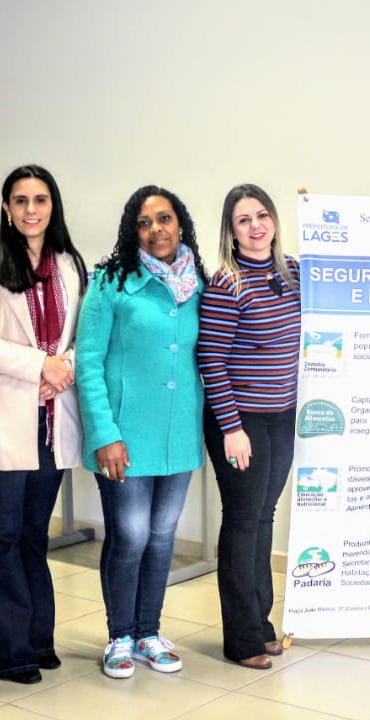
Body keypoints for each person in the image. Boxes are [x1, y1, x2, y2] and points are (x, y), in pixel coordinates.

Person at [0, 164, 87, 684]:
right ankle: (11, 651)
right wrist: (41, 366)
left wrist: (64, 368)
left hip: (54, 419)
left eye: (40, 200)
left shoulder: (71, 264)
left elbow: (82, 337)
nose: (31, 209)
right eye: (20, 200)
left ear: (52, 206)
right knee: (4, 532)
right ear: (6, 208)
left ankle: (39, 639)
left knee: (35, 533)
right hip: (5, 415)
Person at [77, 185, 208, 679]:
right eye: (144, 222)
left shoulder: (199, 283)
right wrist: (104, 434)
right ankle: (120, 636)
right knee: (129, 536)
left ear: (181, 224)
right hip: (124, 438)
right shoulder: (111, 281)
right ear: (132, 231)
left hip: (178, 436)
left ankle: (149, 633)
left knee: (161, 536)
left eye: (165, 219)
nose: (156, 229)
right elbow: (88, 362)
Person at [198, 184, 301, 670]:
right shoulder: (227, 283)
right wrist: (231, 428)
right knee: (243, 520)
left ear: (274, 220)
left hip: (283, 416)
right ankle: (241, 639)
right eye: (244, 219)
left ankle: (261, 625)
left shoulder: (292, 273)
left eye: (262, 215)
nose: (256, 226)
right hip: (239, 420)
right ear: (231, 231)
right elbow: (211, 360)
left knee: (264, 517)